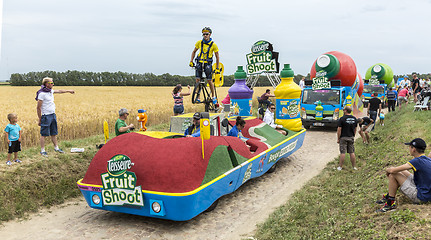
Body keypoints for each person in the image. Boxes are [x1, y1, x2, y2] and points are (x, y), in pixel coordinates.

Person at [375, 138, 431, 212]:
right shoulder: (427, 159)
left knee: (393, 174)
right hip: (427, 193)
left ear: (413, 149)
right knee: (403, 171)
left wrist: (387, 170)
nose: (409, 149)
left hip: (421, 197)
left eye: (410, 147)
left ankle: (390, 203)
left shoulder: (416, 161)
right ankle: (390, 194)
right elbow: (401, 169)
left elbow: (392, 170)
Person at [36, 77, 75, 156]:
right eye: (51, 83)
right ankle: (42, 150)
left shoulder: (50, 91)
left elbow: (59, 91)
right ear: (46, 84)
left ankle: (56, 148)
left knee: (54, 133)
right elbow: (38, 107)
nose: (53, 84)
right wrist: (40, 119)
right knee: (44, 134)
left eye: (53, 83)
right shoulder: (42, 94)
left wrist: (68, 91)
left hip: (53, 115)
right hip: (46, 116)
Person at [189, 27, 220, 104]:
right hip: (199, 62)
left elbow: (217, 57)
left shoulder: (214, 45)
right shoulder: (199, 43)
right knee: (197, 80)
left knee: (209, 81)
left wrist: (217, 68)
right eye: (203, 34)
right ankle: (198, 97)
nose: (205, 35)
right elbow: (194, 52)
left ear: (210, 34)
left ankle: (213, 96)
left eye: (207, 34)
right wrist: (191, 61)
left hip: (208, 64)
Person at [336, 106, 358, 171]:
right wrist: (353, 135)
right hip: (350, 137)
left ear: (345, 111)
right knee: (352, 152)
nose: (343, 111)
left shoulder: (342, 119)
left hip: (343, 137)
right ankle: (354, 166)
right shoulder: (354, 119)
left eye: (344, 110)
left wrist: (338, 138)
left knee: (343, 152)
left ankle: (340, 167)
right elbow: (355, 129)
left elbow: (339, 129)